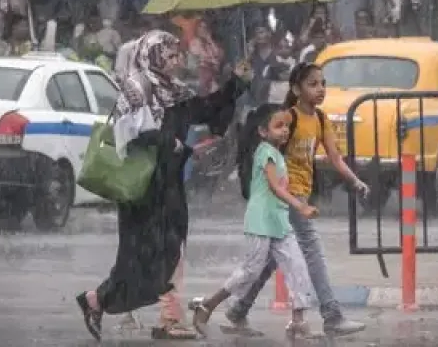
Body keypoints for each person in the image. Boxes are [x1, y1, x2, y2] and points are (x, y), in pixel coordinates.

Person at [75, 30, 251, 341]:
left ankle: (110, 303)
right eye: (168, 55)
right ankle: (121, 305)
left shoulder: (176, 91)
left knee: (171, 249)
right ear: (151, 56)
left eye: (176, 54)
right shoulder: (136, 88)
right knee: (141, 255)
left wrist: (236, 83)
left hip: (169, 184)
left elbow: (207, 111)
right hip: (143, 187)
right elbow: (135, 134)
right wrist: (177, 145)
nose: (175, 60)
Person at [220, 62, 370, 337]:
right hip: (286, 197)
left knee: (273, 258)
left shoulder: (321, 119)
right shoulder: (288, 117)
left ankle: (238, 309)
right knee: (311, 249)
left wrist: (355, 180)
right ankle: (332, 315)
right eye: (313, 84)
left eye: (322, 83)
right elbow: (266, 146)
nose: (320, 89)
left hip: (298, 194)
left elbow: (335, 158)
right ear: (296, 89)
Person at [189, 104, 319, 339]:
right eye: (278, 126)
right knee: (250, 271)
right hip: (261, 221)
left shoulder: (277, 153)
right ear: (262, 131)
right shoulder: (265, 152)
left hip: (278, 221)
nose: (284, 131)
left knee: (297, 266)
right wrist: (300, 205)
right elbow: (275, 187)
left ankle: (298, 320)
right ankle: (208, 304)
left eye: (287, 126)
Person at [188, 19, 225, 96]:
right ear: (197, 29)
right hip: (204, 68)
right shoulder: (196, 41)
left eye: (205, 26)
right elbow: (199, 53)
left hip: (217, 69)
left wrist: (210, 39)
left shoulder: (214, 41)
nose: (203, 28)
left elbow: (219, 53)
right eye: (200, 26)